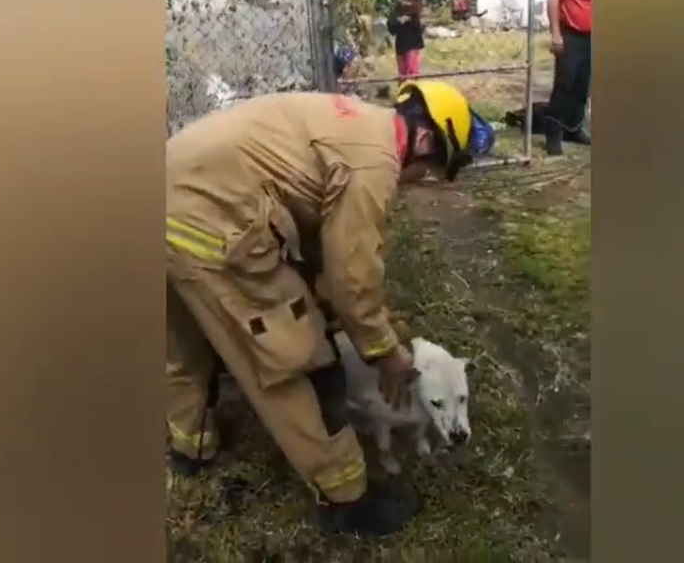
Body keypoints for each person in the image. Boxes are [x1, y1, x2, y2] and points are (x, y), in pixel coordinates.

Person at [165, 81, 478, 538]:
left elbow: (313, 225)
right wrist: (384, 351)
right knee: (299, 361)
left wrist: (323, 296)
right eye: (429, 171)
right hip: (214, 228)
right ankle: (346, 500)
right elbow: (354, 277)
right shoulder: (376, 163)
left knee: (187, 340)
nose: (416, 182)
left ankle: (190, 447)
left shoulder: (355, 123)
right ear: (426, 139)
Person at [544, 0, 592, 155]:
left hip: (591, 36)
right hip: (571, 34)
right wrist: (556, 35)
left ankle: (573, 129)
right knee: (565, 83)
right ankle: (553, 134)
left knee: (583, 85)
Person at [386, 0, 426, 84]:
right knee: (402, 74)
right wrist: (399, 22)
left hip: (413, 45)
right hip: (400, 47)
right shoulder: (395, 12)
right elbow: (391, 29)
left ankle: (413, 90)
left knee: (411, 73)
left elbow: (421, 26)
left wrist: (410, 18)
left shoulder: (415, 9)